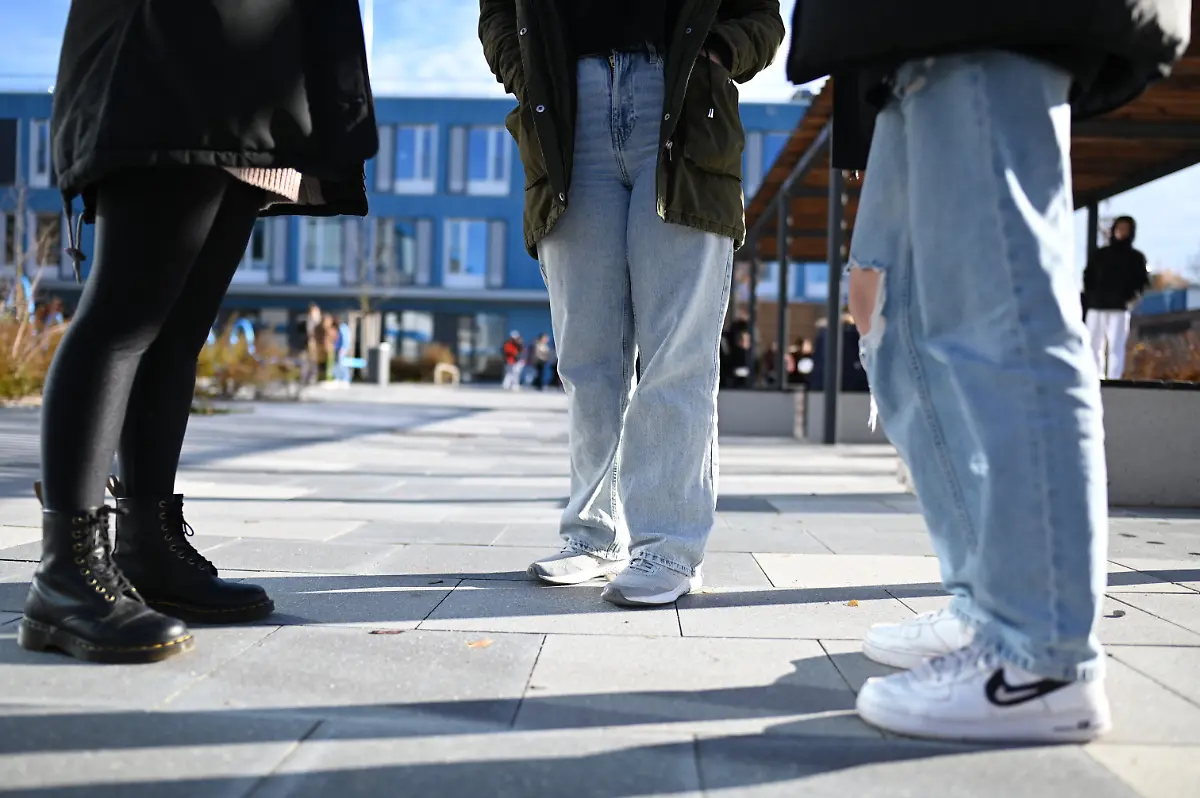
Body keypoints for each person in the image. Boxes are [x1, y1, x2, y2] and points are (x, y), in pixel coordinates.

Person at [788, 0, 1187, 741]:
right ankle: (986, 604)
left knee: (1002, 309)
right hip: (901, 48)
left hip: (985, 18)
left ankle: (1039, 657)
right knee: (896, 326)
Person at [22, 0, 377, 664]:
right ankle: (65, 572)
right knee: (126, 318)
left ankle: (145, 545)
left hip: (255, 85)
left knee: (178, 332)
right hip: (178, 54)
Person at [483, 0, 786, 606]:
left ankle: (668, 546)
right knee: (586, 356)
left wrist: (717, 54)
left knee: (678, 353)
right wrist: (528, 73)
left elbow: (763, 16)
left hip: (678, 103)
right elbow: (497, 13)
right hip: (570, 113)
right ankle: (592, 536)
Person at [1083, 216, 1151, 380]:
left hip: (1119, 308)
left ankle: (1114, 381)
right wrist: (1091, 296)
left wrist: (1131, 298)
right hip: (1096, 306)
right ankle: (1094, 379)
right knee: (1093, 345)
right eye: (1118, 227)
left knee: (1116, 346)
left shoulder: (1136, 257)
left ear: (1131, 232)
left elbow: (1142, 282)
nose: (1121, 231)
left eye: (1125, 228)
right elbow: (1088, 276)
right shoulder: (1100, 255)